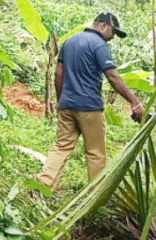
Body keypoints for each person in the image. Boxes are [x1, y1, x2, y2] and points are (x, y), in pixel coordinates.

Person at [36, 13, 144, 191]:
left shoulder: (69, 41)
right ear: (103, 25)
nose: (113, 37)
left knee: (61, 146)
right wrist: (134, 101)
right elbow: (112, 76)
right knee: (95, 152)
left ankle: (43, 185)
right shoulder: (99, 45)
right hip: (90, 108)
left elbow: (59, 73)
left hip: (67, 105)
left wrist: (60, 100)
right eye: (113, 32)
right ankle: (95, 194)